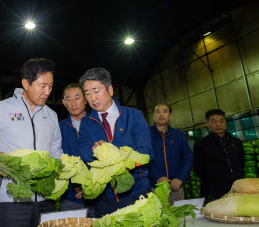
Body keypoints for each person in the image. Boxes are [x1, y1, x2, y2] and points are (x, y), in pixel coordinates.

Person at [0, 58, 63, 227]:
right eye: (42, 86)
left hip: (44, 199)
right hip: (11, 199)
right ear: (26, 84)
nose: (48, 92)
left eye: (51, 86)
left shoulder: (51, 115)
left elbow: (56, 151)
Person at [78, 68, 153, 217]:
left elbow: (146, 152)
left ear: (110, 90)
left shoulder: (133, 116)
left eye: (96, 91)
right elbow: (83, 151)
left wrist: (118, 160)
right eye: (87, 94)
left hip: (136, 192)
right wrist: (94, 151)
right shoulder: (86, 123)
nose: (92, 98)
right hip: (104, 198)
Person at [193, 109, 245, 202]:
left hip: (238, 187)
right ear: (207, 124)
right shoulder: (201, 144)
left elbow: (241, 162)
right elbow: (198, 168)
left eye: (221, 121)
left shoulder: (236, 142)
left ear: (225, 122)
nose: (218, 125)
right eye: (214, 122)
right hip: (215, 190)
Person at [149, 104, 193, 204]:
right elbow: (144, 159)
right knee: (155, 217)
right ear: (153, 116)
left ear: (170, 116)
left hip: (175, 188)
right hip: (154, 188)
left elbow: (188, 157)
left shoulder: (178, 135)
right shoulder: (145, 134)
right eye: (157, 111)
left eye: (165, 111)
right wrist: (157, 177)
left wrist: (180, 178)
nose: (161, 114)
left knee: (179, 218)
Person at [59, 83, 87, 211]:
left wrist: (88, 186)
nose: (73, 103)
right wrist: (74, 184)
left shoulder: (98, 124)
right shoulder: (58, 128)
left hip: (99, 198)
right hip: (70, 197)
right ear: (64, 102)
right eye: (69, 99)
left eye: (77, 98)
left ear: (85, 100)